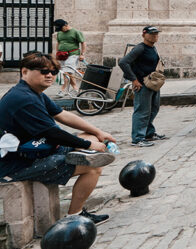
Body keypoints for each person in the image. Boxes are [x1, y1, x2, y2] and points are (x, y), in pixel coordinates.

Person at [0, 52, 117, 224]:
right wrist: (87, 144)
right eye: (43, 71)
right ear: (24, 72)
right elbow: (53, 133)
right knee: (93, 165)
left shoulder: (33, 92)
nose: (49, 75)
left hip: (39, 149)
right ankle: (75, 216)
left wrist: (97, 132)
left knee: (90, 138)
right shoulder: (24, 99)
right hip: (16, 165)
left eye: (53, 72)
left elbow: (62, 115)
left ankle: (79, 154)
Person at [119, 26, 165, 147]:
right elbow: (123, 62)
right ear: (144, 35)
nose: (155, 36)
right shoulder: (139, 48)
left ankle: (149, 133)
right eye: (152, 34)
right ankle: (138, 138)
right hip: (142, 84)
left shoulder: (152, 48)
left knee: (154, 109)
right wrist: (134, 80)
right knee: (142, 111)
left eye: (156, 34)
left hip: (153, 83)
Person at [52, 19, 86, 97]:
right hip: (62, 55)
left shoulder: (76, 32)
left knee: (66, 72)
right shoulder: (60, 33)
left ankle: (63, 90)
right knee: (68, 73)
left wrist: (82, 54)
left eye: (61, 28)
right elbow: (58, 43)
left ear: (65, 25)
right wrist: (57, 53)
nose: (60, 30)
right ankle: (75, 89)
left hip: (73, 54)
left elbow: (83, 43)